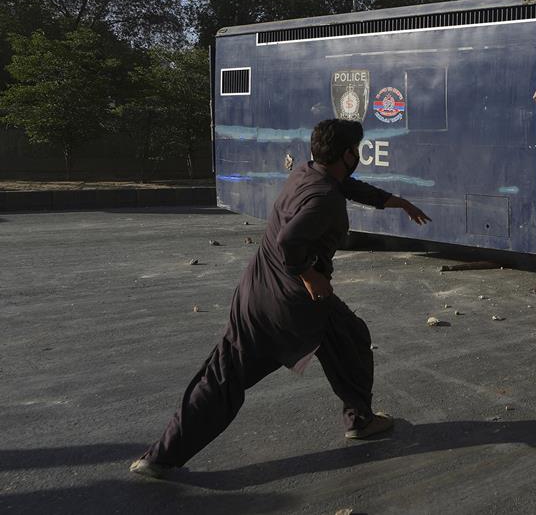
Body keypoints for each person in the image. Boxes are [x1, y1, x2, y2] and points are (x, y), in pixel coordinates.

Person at [130, 119, 432, 479]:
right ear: (346, 154)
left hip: (255, 294)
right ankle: (360, 420)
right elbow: (290, 241)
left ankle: (161, 456)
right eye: (357, 149)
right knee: (348, 341)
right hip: (295, 304)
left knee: (229, 377)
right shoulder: (325, 200)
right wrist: (309, 274)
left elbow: (345, 185)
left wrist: (394, 201)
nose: (359, 155)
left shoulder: (307, 173)